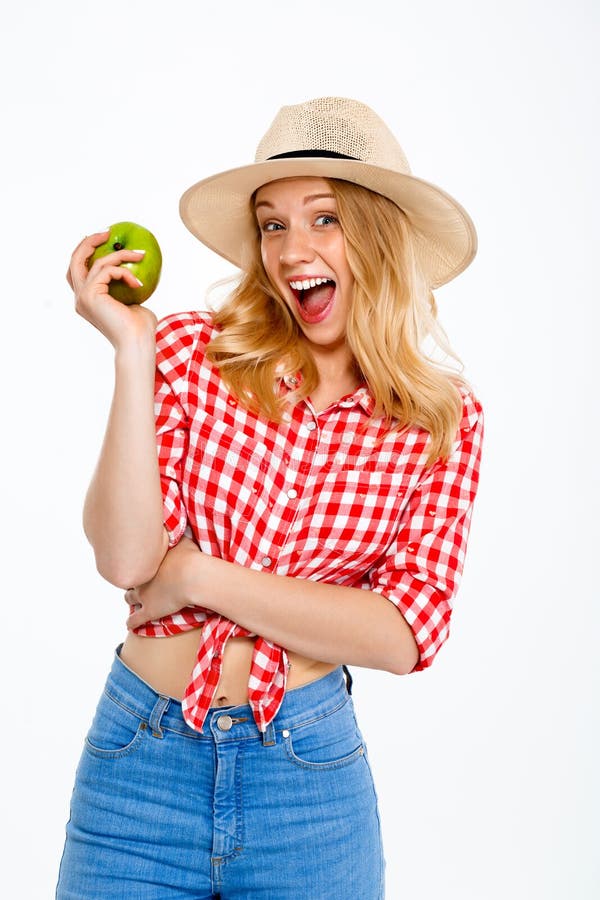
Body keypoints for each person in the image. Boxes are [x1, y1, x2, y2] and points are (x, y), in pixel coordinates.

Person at [56, 96, 483, 899]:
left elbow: (403, 633)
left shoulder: (439, 422)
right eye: (272, 224)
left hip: (308, 785)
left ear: (379, 235)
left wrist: (198, 580)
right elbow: (124, 558)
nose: (292, 250)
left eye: (324, 219)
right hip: (139, 763)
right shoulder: (188, 351)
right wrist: (132, 353)